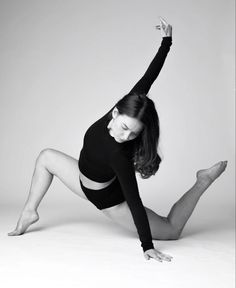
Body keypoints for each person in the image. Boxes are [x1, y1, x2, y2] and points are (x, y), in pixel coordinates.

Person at [8, 17, 227, 262]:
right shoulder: (126, 107)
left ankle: (202, 181)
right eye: (124, 127)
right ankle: (29, 211)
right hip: (81, 179)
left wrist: (147, 246)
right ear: (115, 112)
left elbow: (134, 201)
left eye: (133, 134)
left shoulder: (118, 155)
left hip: (108, 201)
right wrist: (167, 41)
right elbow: (149, 77)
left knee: (172, 230)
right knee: (46, 156)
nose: (124, 137)